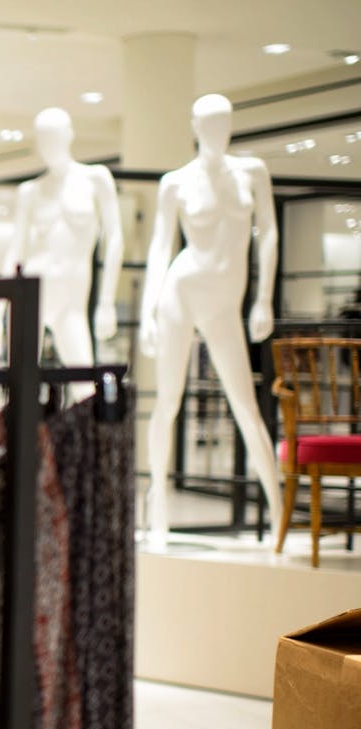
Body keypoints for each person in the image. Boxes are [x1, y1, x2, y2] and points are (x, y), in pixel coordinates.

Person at [139, 93, 282, 544]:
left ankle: (278, 510)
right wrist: (147, 310)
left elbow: (269, 234)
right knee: (169, 401)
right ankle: (157, 505)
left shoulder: (252, 172)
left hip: (225, 303)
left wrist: (264, 299)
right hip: (180, 293)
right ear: (195, 127)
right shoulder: (176, 182)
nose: (218, 132)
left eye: (225, 123)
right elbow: (161, 246)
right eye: (209, 124)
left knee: (245, 405)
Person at [0, 107, 123, 389]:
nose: (48, 144)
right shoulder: (31, 191)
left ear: (69, 135)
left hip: (70, 300)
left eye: (54, 136)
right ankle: (27, 434)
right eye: (42, 138)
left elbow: (115, 239)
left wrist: (107, 300)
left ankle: (81, 434)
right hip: (30, 294)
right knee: (21, 389)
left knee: (85, 388)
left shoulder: (95, 179)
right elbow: (16, 251)